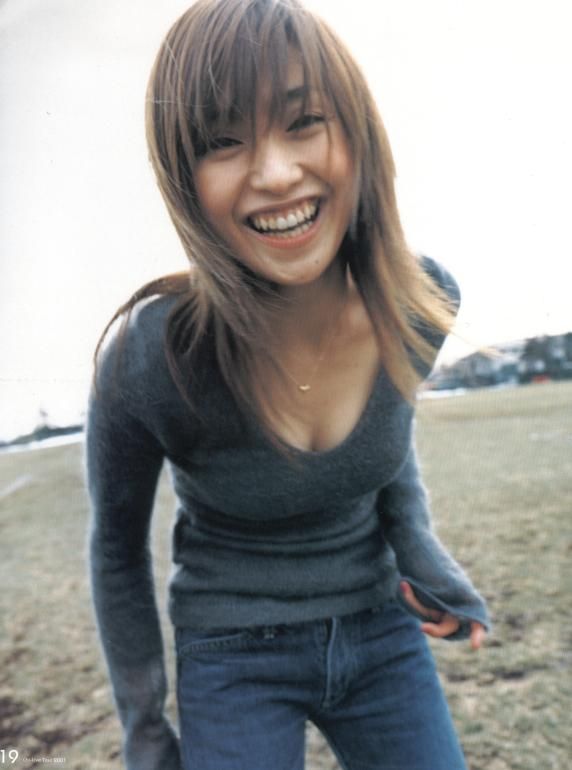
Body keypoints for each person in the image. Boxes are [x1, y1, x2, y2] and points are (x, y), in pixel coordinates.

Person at [86, 1, 490, 768]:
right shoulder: (150, 357)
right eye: (222, 141)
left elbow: (387, 441)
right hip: (230, 653)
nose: (274, 174)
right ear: (183, 177)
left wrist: (420, 551)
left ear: (357, 130)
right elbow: (115, 548)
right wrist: (145, 729)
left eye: (304, 121)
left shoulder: (419, 303)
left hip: (381, 629)